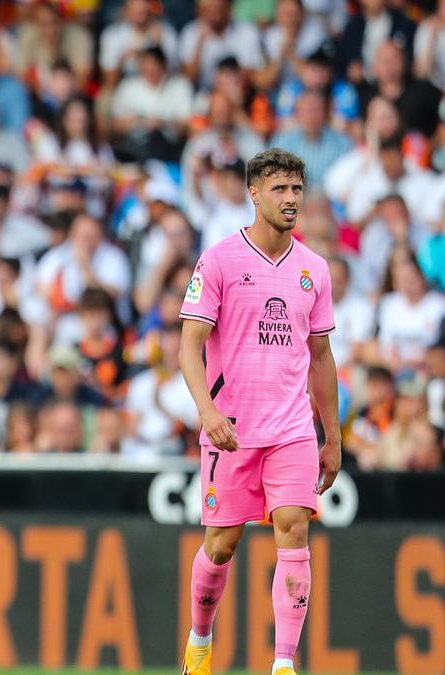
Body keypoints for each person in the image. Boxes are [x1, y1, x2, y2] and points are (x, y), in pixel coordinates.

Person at [178, 148, 341, 675]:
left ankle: (283, 665)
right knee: (221, 547)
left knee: (293, 526)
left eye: (297, 189)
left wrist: (331, 436)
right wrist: (207, 412)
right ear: (254, 193)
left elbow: (321, 356)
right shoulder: (220, 259)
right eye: (280, 189)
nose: (291, 199)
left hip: (292, 429)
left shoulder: (314, 269)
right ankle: (199, 643)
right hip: (232, 431)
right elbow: (189, 345)